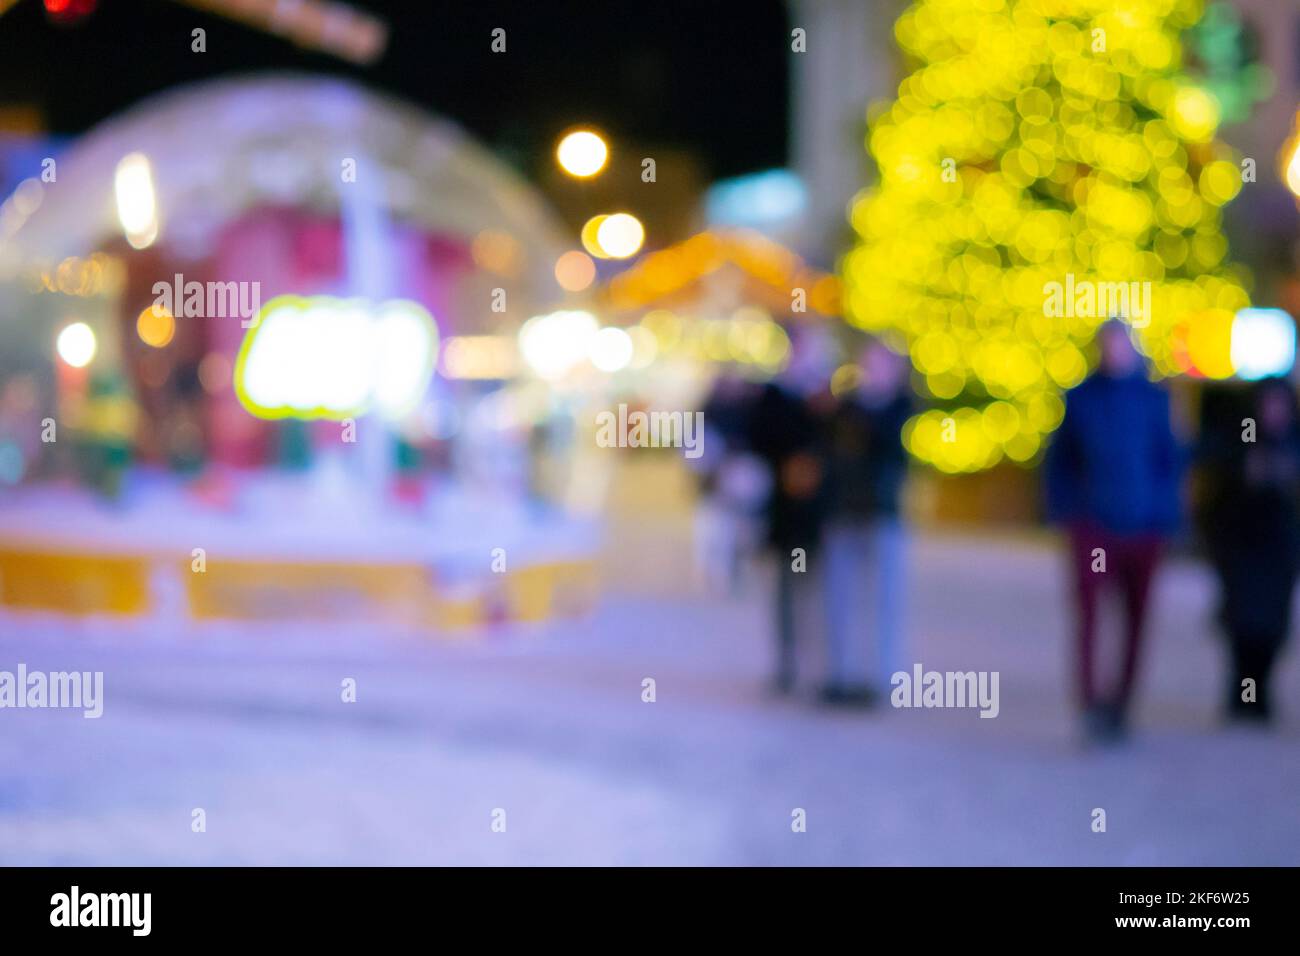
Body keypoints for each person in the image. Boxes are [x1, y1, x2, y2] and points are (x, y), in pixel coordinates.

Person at [1044, 320, 1183, 743]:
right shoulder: (1082, 398)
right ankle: (1090, 704)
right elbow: (1059, 462)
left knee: (1137, 618)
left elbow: (1168, 460)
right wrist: (1069, 511)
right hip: (1094, 525)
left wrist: (1165, 515)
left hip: (1143, 528)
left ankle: (1122, 705)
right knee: (1089, 614)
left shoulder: (1154, 400)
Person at [1197, 377, 1300, 724]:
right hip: (1243, 548)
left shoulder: (1292, 440)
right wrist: (1246, 472)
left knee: (1271, 628)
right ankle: (1242, 694)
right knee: (1241, 626)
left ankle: (1261, 693)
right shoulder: (1245, 433)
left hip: (1279, 551)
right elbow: (1224, 471)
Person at [819, 339, 912, 705]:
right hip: (844, 511)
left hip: (882, 514)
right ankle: (840, 672)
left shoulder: (898, 407)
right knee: (840, 598)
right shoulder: (846, 408)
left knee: (884, 602)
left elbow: (886, 448)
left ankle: (881, 677)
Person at [748, 326, 836, 693]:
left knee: (817, 591)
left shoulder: (825, 399)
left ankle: (819, 665)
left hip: (816, 517)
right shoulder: (775, 396)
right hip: (785, 516)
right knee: (785, 590)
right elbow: (760, 438)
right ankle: (787, 663)